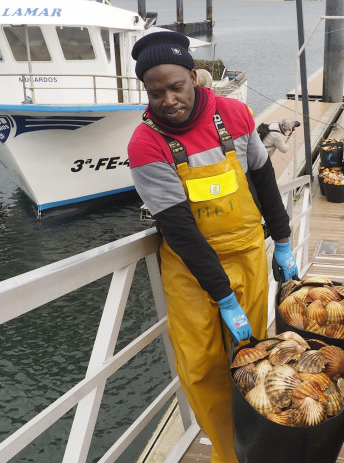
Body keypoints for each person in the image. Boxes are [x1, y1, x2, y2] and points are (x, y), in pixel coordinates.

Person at [126, 31, 298, 463]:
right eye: (155, 91)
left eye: (176, 86)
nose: (168, 99)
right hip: (190, 268)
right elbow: (179, 229)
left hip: (246, 254)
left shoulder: (235, 115)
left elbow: (263, 180)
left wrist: (283, 240)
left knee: (250, 359)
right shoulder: (145, 144)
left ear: (194, 77)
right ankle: (229, 454)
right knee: (201, 369)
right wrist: (222, 296)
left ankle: (259, 444)